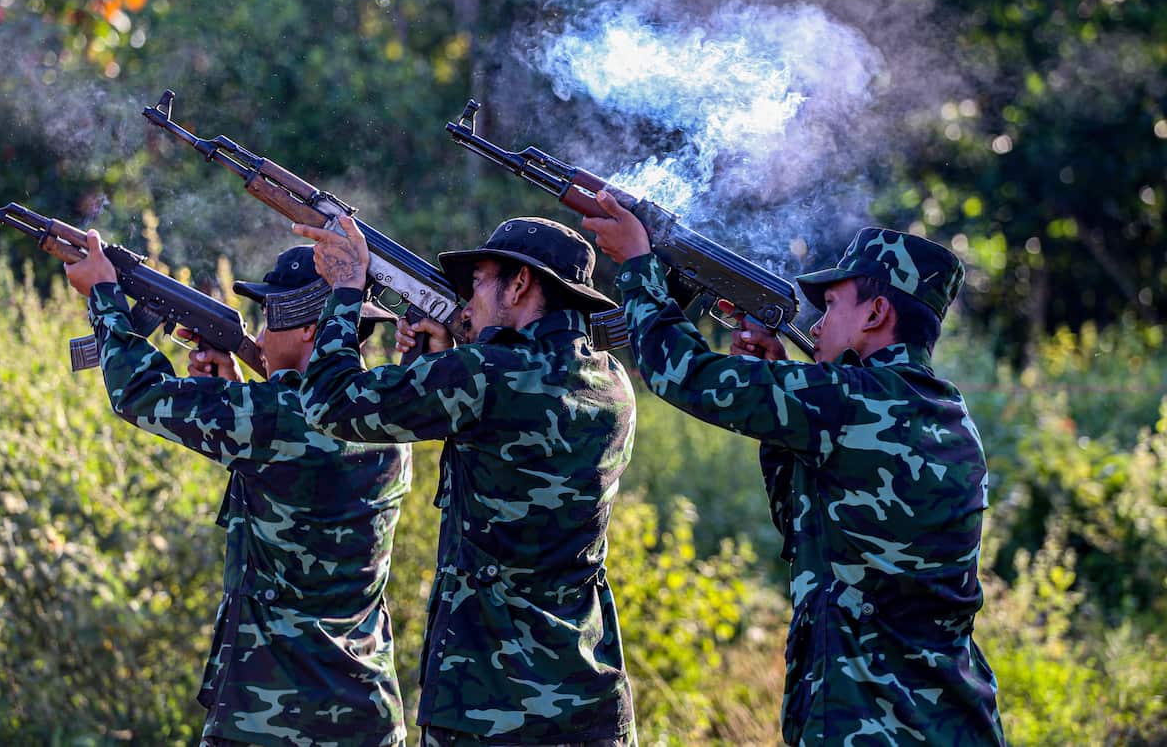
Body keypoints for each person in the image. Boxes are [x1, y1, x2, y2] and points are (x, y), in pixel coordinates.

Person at [581, 192, 1004, 746]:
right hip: (953, 722)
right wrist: (781, 409)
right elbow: (812, 521)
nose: (820, 323)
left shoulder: (846, 402)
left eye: (833, 307)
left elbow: (680, 373)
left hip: (869, 727)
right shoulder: (945, 415)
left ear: (876, 314)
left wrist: (638, 267)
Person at [290, 215, 638, 746]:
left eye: (476, 282)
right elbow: (512, 413)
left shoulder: (480, 376)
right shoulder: (611, 383)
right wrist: (450, 358)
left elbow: (328, 402)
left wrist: (345, 289)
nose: (466, 300)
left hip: (488, 706)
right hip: (588, 701)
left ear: (519, 284)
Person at [64, 234, 410, 747]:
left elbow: (139, 393)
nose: (262, 337)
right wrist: (237, 387)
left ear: (310, 330)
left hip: (271, 719)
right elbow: (299, 436)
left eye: (272, 322)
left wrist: (104, 297)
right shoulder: (390, 423)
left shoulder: (272, 419)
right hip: (366, 713)